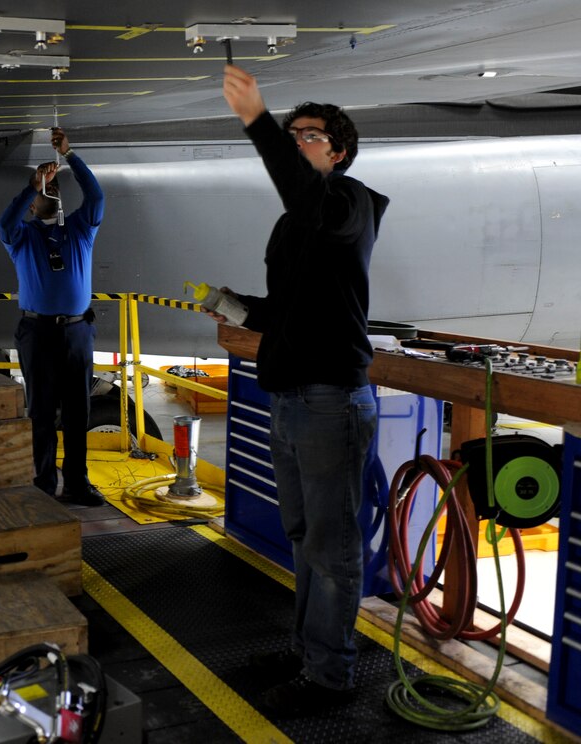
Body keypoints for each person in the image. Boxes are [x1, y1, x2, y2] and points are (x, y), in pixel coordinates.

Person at [218, 66, 389, 714]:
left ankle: (331, 677)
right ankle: (309, 652)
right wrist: (237, 310)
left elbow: (311, 200)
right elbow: (283, 310)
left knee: (331, 548)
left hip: (327, 404)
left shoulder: (351, 206)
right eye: (290, 134)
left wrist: (257, 120)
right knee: (304, 539)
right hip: (289, 403)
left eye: (308, 135)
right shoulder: (293, 227)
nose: (296, 142)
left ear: (339, 151)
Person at [0, 127, 106, 507]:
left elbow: (96, 196)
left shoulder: (78, 229)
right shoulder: (23, 236)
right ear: (32, 204)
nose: (52, 191)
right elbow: (3, 224)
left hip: (76, 331)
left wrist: (70, 155)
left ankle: (76, 482)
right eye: (45, 191)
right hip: (37, 331)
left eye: (55, 188)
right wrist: (33, 184)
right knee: (41, 411)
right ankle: (43, 484)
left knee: (78, 412)